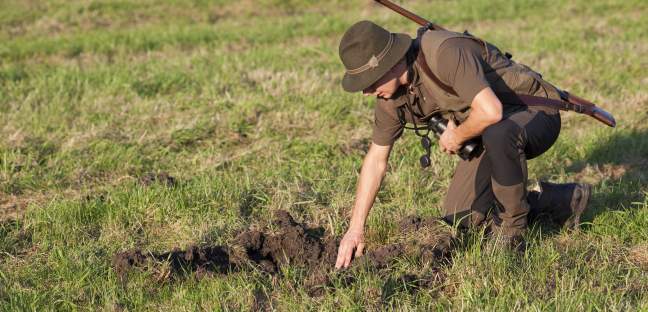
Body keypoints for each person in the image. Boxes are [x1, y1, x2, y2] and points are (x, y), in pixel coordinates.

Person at [334, 20, 592, 269]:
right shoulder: (390, 101)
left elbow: (491, 112)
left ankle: (512, 236)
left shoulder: (443, 52)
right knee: (461, 217)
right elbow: (376, 160)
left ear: (390, 64)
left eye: (369, 82)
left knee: (499, 134)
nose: (366, 92)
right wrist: (355, 229)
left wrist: (457, 137)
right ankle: (562, 201)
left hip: (533, 111)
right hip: (487, 132)